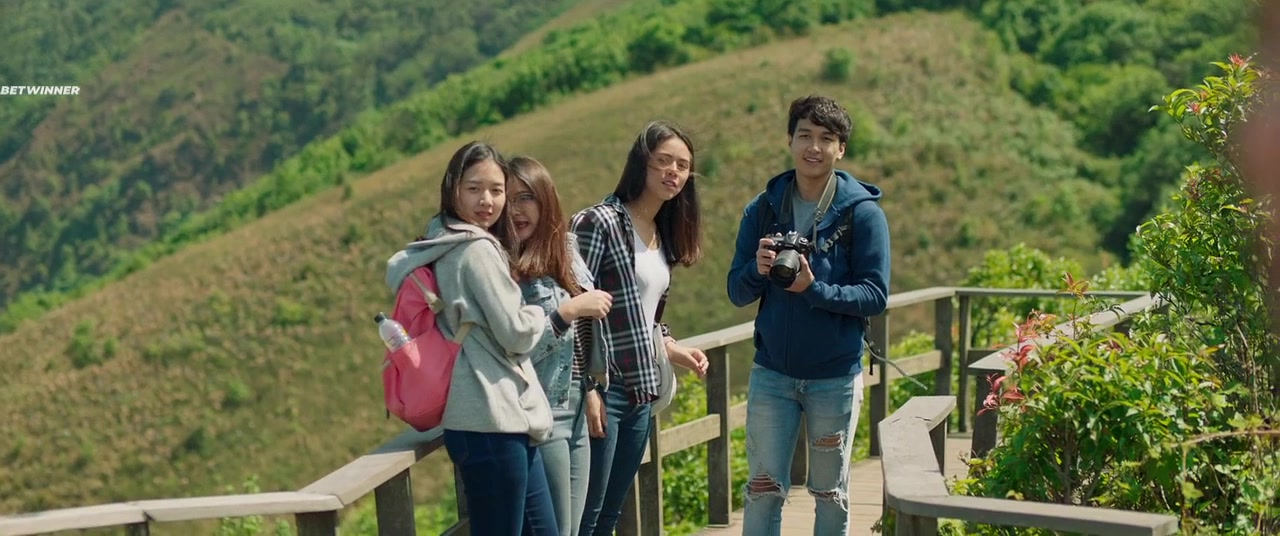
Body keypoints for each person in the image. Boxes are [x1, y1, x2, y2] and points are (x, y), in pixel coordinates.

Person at [725, 95, 891, 536]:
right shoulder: (763, 209)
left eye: (826, 138)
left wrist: (813, 289)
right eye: (805, 136)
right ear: (790, 141)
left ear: (841, 149)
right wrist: (758, 271)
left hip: (834, 378)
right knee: (762, 490)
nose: (813, 147)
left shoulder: (862, 214)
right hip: (771, 375)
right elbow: (736, 291)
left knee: (830, 494)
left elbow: (875, 295)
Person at [384, 141, 558, 535]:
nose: (487, 201)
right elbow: (516, 333)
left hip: (487, 421)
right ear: (453, 189)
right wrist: (537, 313)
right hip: (493, 419)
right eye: (474, 189)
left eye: (497, 190)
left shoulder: (440, 240)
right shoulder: (477, 249)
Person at [573, 120, 711, 535]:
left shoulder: (661, 232)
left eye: (682, 165)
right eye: (664, 161)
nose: (673, 172)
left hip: (641, 387)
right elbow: (572, 308)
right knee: (586, 513)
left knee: (610, 513)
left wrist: (670, 346)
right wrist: (587, 388)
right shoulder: (598, 222)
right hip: (604, 387)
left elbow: (644, 315)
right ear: (642, 162)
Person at [508, 155, 614, 536]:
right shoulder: (507, 268)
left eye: (525, 198)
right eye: (508, 200)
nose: (515, 210)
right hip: (543, 412)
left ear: (546, 199)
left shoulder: (565, 250)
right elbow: (515, 349)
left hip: (576, 406)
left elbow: (581, 341)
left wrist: (590, 389)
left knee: (574, 527)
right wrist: (566, 312)